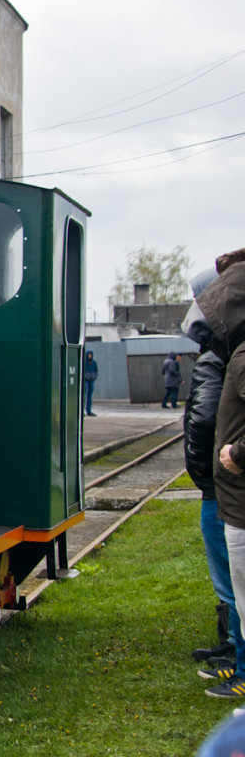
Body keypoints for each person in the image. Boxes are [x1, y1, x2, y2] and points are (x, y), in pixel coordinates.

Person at [183, 267, 241, 681]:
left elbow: (203, 420)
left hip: (222, 482)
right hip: (225, 477)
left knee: (231, 576)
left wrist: (205, 470)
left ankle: (237, 652)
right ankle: (232, 645)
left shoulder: (215, 355)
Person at [198, 259, 245, 699]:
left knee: (243, 590)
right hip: (231, 492)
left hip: (237, 493)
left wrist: (236, 453)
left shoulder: (242, 356)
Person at [83, 351, 98, 417]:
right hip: (85, 381)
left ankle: (88, 411)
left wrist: (94, 376)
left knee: (90, 396)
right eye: (88, 355)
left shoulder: (94, 362)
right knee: (84, 396)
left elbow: (96, 370)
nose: (90, 356)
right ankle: (82, 411)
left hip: (91, 381)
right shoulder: (84, 362)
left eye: (90, 355)